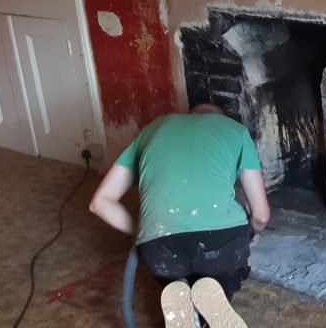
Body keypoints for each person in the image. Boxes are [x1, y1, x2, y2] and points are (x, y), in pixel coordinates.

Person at [89, 104, 270, 327]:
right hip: (221, 244)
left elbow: (100, 203)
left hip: (161, 248)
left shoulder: (152, 129)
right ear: (220, 117)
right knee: (223, 272)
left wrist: (143, 229)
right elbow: (261, 215)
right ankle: (212, 297)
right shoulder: (236, 130)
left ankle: (178, 291)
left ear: (190, 115)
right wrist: (252, 233)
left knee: (175, 271)